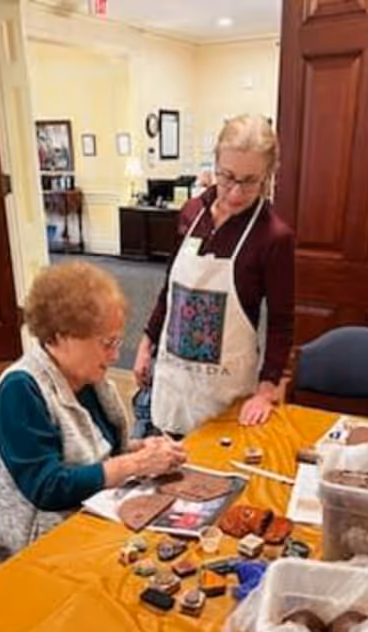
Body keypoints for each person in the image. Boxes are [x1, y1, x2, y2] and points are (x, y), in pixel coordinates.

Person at [0, 262, 186, 560]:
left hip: (85, 515)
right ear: (60, 337)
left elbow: (97, 453)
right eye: (107, 343)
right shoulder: (20, 390)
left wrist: (141, 448)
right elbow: (48, 488)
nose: (114, 355)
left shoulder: (88, 380)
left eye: (117, 341)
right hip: (29, 544)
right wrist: (136, 463)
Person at [133, 113, 295, 436]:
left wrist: (266, 390)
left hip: (225, 390)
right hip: (175, 378)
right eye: (227, 177)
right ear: (215, 165)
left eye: (250, 181)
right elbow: (170, 289)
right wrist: (146, 342)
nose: (235, 193)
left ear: (269, 175)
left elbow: (282, 322)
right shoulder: (191, 213)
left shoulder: (273, 237)